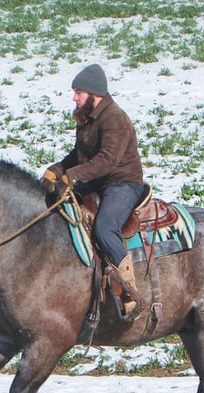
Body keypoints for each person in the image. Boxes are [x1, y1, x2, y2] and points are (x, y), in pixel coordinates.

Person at [41, 63, 145, 320]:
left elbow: (107, 160)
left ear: (94, 93)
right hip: (98, 181)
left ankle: (129, 291)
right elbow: (79, 155)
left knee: (105, 227)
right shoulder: (87, 118)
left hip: (122, 183)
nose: (74, 98)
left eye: (78, 92)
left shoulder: (114, 119)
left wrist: (73, 176)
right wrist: (56, 170)